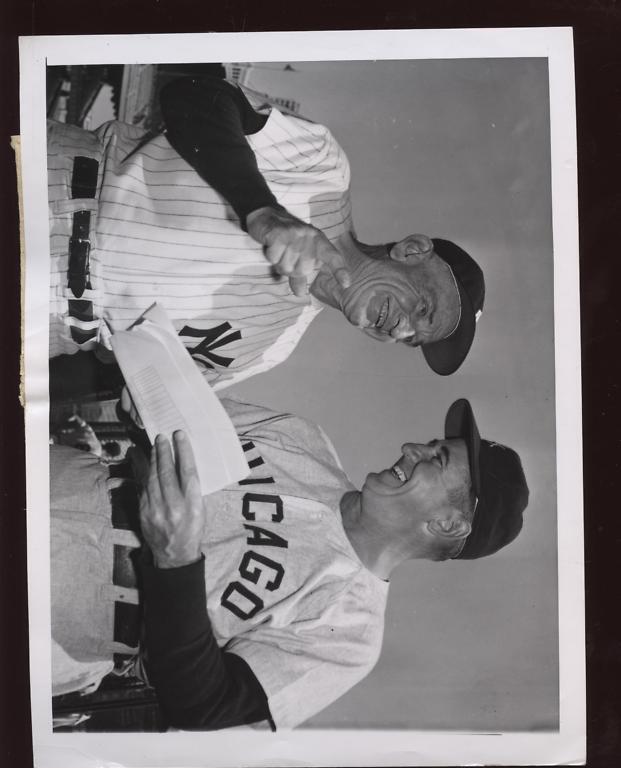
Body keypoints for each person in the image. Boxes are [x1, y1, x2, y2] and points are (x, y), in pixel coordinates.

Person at [51, 397, 528, 730]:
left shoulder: (353, 633)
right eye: (429, 443)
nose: (411, 449)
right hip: (55, 479)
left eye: (436, 458)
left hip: (61, 620)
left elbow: (203, 705)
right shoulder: (302, 437)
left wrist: (177, 561)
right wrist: (146, 406)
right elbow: (165, 424)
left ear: (448, 524)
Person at [48, 76, 485, 392]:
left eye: (413, 341)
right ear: (412, 251)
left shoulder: (273, 349)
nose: (402, 332)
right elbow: (193, 93)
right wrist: (262, 210)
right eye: (422, 309)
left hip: (49, 325)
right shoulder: (324, 170)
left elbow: (109, 374)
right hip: (52, 188)